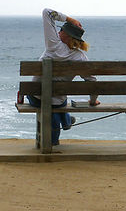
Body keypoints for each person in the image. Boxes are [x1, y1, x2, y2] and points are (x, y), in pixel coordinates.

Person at [27, 8, 100, 146]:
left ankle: (57, 133)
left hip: (37, 97)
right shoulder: (81, 57)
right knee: (58, 103)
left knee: (50, 105)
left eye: (61, 31)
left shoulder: (53, 45)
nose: (58, 32)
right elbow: (92, 81)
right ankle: (65, 122)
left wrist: (70, 19)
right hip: (58, 100)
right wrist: (93, 101)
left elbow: (46, 12)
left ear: (66, 35)